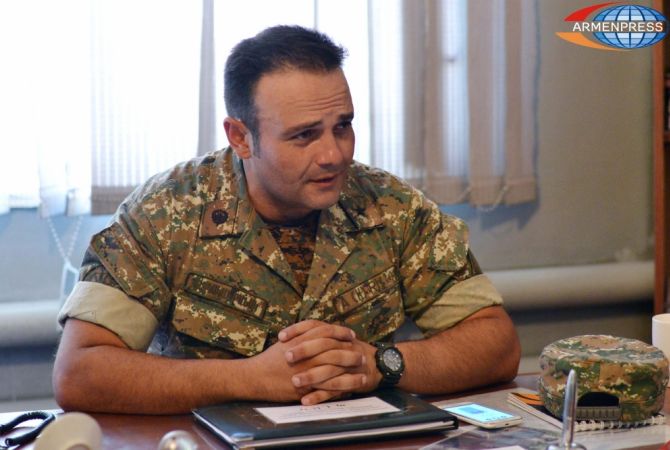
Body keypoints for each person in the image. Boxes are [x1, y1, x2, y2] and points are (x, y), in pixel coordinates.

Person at [53, 25, 520, 415]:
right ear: (241, 137)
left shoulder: (390, 206)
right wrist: (249, 378)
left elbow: (496, 343)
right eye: (304, 135)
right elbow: (80, 372)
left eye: (343, 126)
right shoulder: (165, 212)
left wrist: (378, 364)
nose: (333, 154)